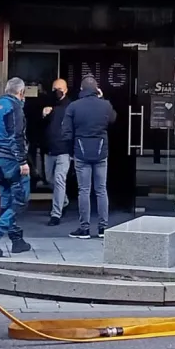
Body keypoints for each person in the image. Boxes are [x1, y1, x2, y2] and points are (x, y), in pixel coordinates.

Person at [0, 77, 32, 257]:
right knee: (20, 199)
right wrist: (22, 161)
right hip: (11, 160)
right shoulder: (14, 107)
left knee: (6, 198)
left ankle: (17, 240)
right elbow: (16, 136)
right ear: (21, 92)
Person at [63, 76, 117, 239]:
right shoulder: (105, 105)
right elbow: (113, 118)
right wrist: (102, 98)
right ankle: (103, 228)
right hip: (101, 152)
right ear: (96, 89)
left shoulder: (73, 106)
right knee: (101, 190)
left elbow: (66, 132)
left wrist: (70, 152)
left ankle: (84, 228)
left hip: (81, 152)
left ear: (81, 89)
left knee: (84, 190)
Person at [41, 78, 73, 226]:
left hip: (63, 150)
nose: (56, 91)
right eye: (54, 88)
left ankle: (56, 214)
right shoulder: (47, 104)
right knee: (49, 179)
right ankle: (64, 201)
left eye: (59, 89)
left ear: (65, 90)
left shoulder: (70, 107)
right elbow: (41, 127)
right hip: (49, 149)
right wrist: (44, 115)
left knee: (60, 180)